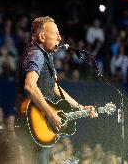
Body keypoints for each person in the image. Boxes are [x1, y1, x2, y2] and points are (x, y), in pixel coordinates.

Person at [16, 16, 97, 164]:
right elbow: (30, 86)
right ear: (42, 36)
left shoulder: (45, 55)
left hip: (39, 123)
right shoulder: (36, 54)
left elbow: (53, 87)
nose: (60, 38)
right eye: (55, 34)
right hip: (34, 122)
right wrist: (51, 115)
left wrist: (79, 107)